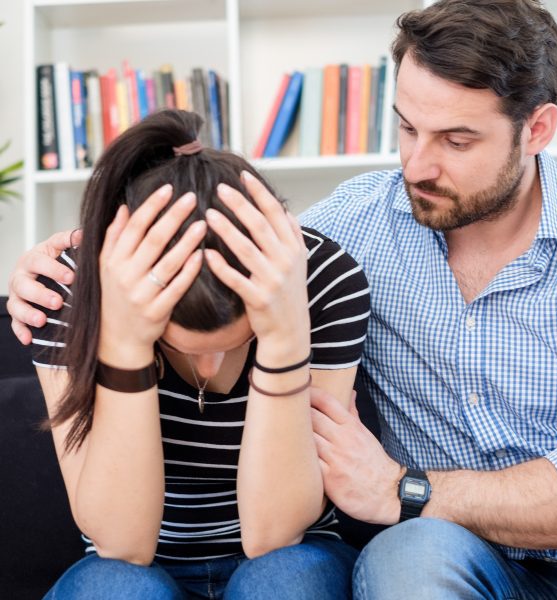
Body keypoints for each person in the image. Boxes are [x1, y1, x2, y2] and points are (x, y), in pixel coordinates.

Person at [8, 0, 557, 598]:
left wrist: (403, 487)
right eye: (406, 127)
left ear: (538, 129)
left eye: (457, 139)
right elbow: (229, 237)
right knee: (412, 555)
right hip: (444, 550)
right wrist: (61, 263)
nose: (416, 165)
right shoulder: (352, 228)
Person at [10, 108, 369, 599]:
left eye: (240, 341)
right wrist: (127, 347)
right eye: (181, 346)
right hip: (132, 562)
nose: (210, 368)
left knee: (285, 582)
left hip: (291, 553)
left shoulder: (321, 277)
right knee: (115, 589)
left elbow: (273, 534)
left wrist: (285, 339)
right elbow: (122, 543)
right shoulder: (70, 290)